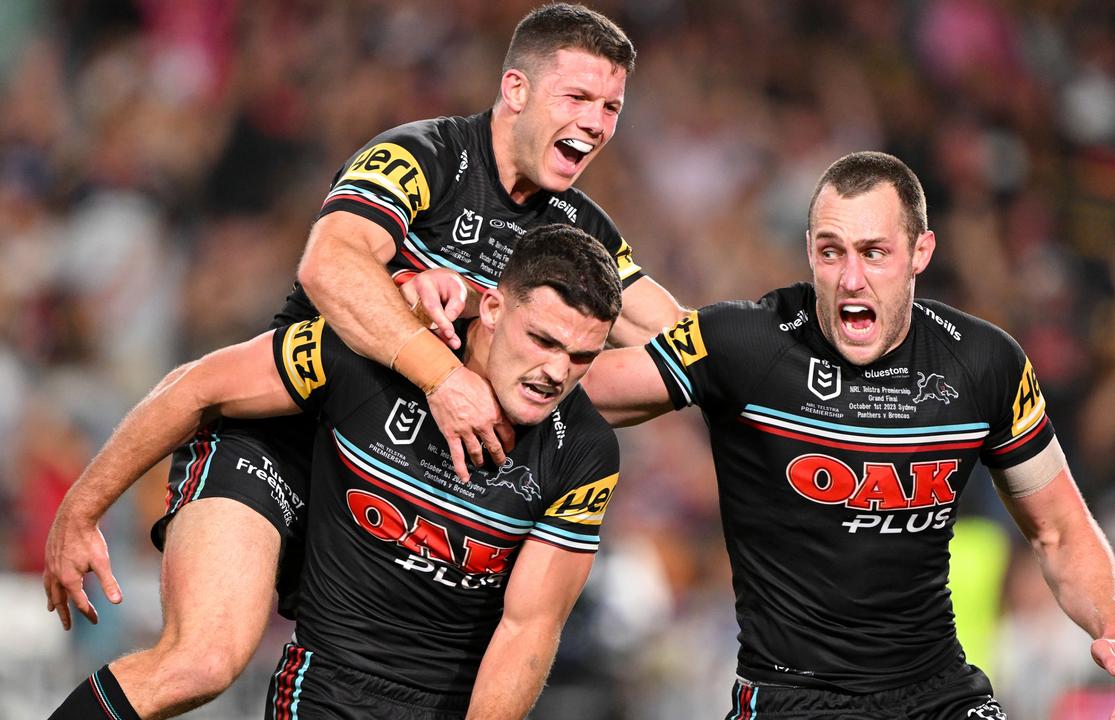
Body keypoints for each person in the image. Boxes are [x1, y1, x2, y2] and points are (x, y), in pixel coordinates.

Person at [43, 4, 683, 719]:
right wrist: (441, 374)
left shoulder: (580, 235)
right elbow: (330, 262)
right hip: (283, 436)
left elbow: (678, 344)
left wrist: (795, 361)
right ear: (515, 91)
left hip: (396, 471)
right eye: (578, 98)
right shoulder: (425, 156)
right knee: (204, 658)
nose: (595, 122)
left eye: (612, 107)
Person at [580, 151, 1115, 719]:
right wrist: (490, 368)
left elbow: (1060, 530)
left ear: (919, 253)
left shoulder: (984, 364)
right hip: (791, 701)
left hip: (939, 695)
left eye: (874, 253)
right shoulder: (744, 343)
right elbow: (568, 390)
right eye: (832, 253)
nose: (851, 279)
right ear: (809, 252)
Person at [51, 225, 624, 719]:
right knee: (199, 661)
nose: (554, 371)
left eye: (580, 358)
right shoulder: (372, 352)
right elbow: (199, 386)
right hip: (327, 687)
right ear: (494, 309)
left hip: (447, 704)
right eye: (543, 340)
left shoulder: (586, 452)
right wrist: (80, 511)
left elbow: (529, 629)